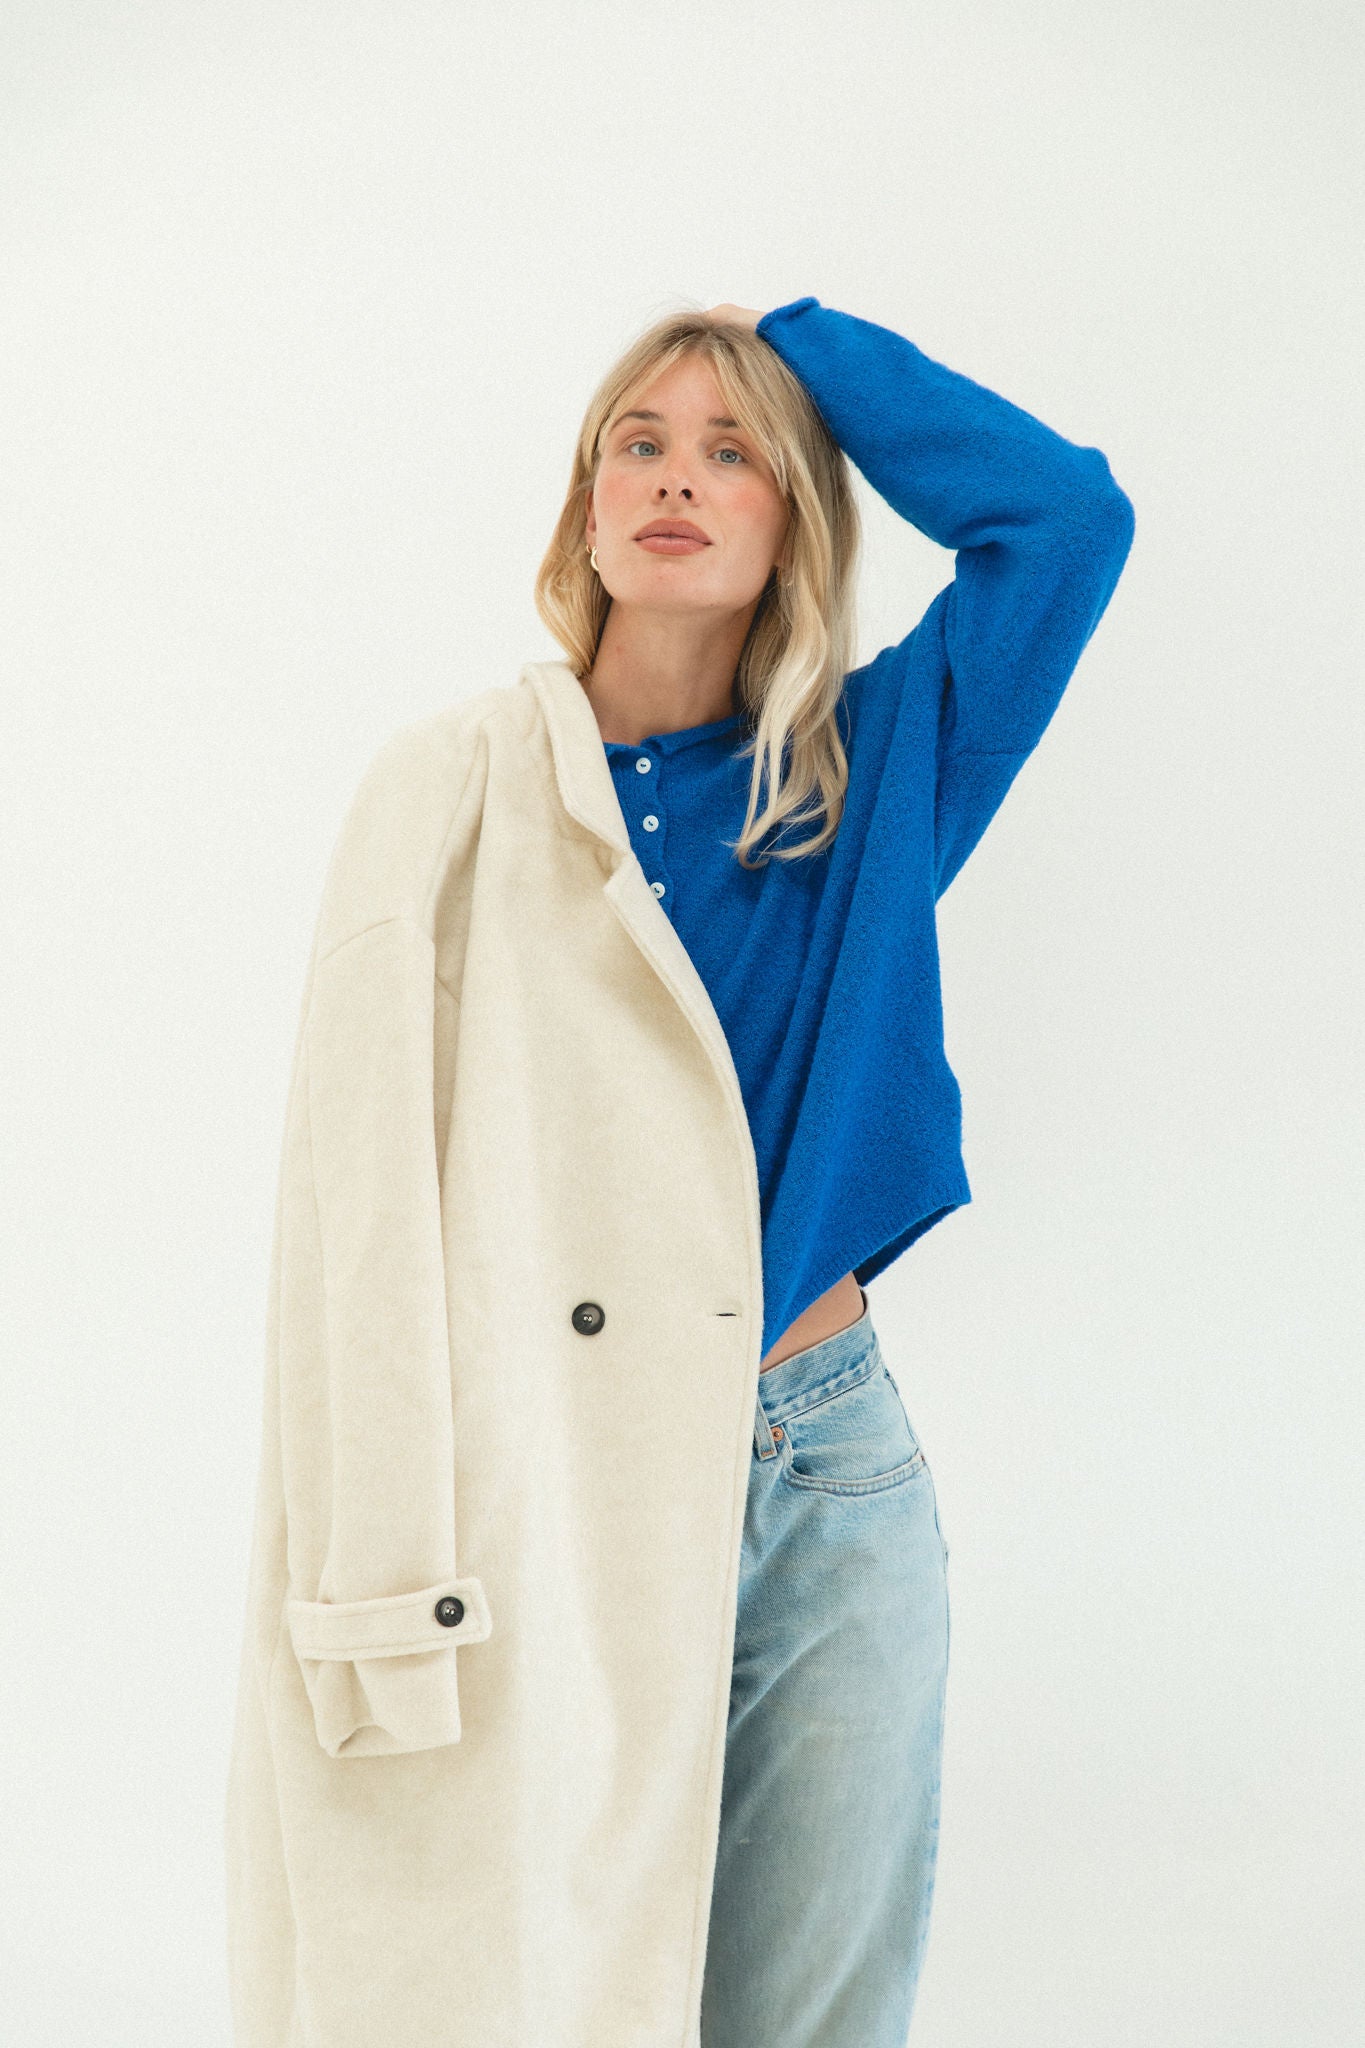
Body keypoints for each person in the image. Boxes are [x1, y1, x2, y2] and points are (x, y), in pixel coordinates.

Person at [224, 293, 1135, 2048]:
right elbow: (356, 1207)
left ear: (796, 517)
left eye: (732, 455)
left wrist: (788, 339)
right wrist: (371, 1570)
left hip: (828, 1460)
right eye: (634, 445)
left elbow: (1064, 522)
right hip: (554, 1471)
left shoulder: (869, 774)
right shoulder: (456, 791)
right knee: (539, 1995)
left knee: (808, 2018)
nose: (674, 480)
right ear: (582, 508)